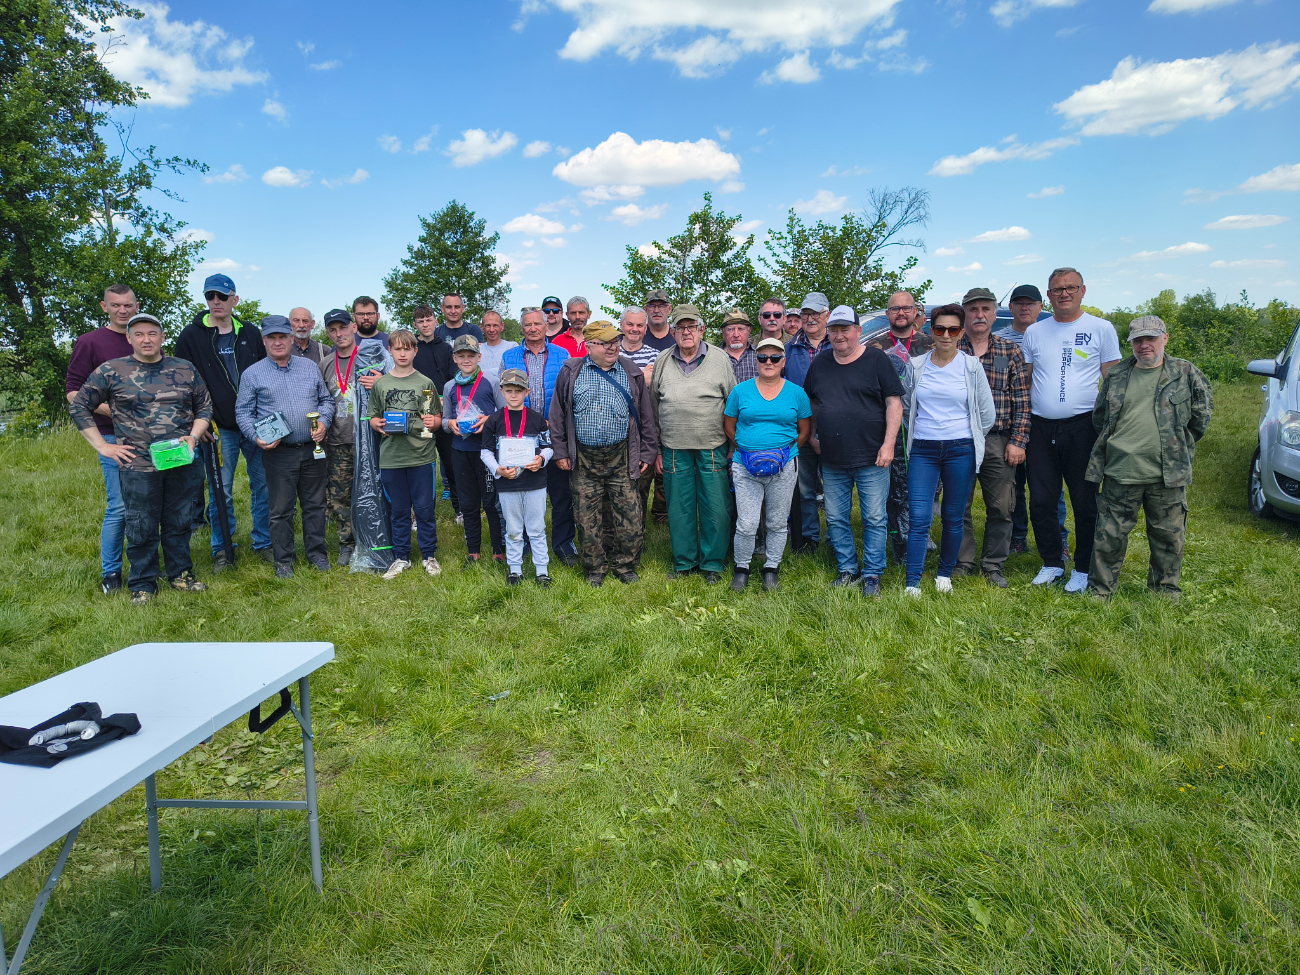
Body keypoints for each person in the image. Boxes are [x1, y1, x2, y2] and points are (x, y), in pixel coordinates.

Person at [70, 313, 213, 605]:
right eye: (139, 334)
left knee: (179, 520)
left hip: (180, 460)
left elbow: (204, 407)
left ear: (162, 337)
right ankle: (143, 583)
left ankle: (180, 574)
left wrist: (194, 436)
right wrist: (103, 446)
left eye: (152, 333)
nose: (146, 340)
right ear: (129, 338)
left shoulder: (184, 368)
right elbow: (79, 406)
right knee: (140, 525)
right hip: (137, 464)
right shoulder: (112, 370)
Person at [1086, 316, 1213, 600]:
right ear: (1131, 343)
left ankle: (1164, 591)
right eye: (1138, 340)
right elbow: (1100, 418)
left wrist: (1178, 446)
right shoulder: (1116, 375)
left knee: (1168, 536)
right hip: (1121, 469)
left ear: (1165, 339)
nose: (1145, 345)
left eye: (1151, 339)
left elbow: (1201, 415)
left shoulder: (1185, 372)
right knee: (1109, 535)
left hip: (1167, 473)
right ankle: (1101, 590)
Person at [1021, 268, 1121, 592]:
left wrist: (1114, 428)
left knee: (1085, 501)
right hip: (1040, 427)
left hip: (1083, 427)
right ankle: (1052, 562)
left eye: (1071, 288)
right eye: (1057, 289)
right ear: (1048, 295)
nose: (1064, 293)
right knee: (1041, 500)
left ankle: (1082, 567)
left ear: (1083, 291)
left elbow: (1114, 381)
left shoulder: (1101, 329)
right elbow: (1026, 379)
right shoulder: (1035, 332)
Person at [173, 272, 272, 570]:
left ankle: (264, 542)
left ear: (234, 299)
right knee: (221, 490)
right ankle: (223, 548)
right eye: (210, 296)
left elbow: (266, 373)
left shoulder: (250, 333)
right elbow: (183, 383)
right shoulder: (191, 336)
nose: (216, 301)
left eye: (222, 296)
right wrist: (198, 422)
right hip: (217, 427)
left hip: (255, 423)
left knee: (263, 486)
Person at [804, 307, 905, 597]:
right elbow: (812, 403)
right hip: (832, 456)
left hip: (873, 456)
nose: (839, 335)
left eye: (845, 329)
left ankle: (872, 574)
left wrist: (888, 444)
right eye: (834, 330)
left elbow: (894, 403)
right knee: (836, 517)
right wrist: (812, 435)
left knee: (874, 518)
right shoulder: (821, 362)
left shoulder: (877, 360)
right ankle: (847, 569)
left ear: (858, 331)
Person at [550, 321, 658, 585]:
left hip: (622, 456)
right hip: (583, 459)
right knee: (586, 518)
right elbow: (558, 415)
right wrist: (561, 451)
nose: (613, 347)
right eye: (605, 343)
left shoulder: (631, 371)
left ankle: (625, 566)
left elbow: (646, 416)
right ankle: (595, 568)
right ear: (589, 346)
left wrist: (647, 453)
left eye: (615, 341)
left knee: (630, 515)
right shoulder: (571, 372)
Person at [901, 304, 995, 595]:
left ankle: (944, 575)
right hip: (923, 450)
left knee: (953, 516)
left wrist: (967, 437)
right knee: (919, 517)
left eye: (953, 329)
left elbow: (986, 413)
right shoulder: (916, 365)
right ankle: (912, 583)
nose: (945, 335)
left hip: (960, 449)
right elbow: (907, 407)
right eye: (940, 328)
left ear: (961, 332)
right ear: (931, 330)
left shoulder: (971, 366)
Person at [235, 316, 335, 578]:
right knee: (281, 510)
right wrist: (256, 437)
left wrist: (323, 423)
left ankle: (317, 554)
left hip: (312, 449)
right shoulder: (253, 373)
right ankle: (284, 560)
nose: (278, 342)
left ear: (292, 339)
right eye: (272, 338)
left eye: (282, 337)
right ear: (264, 341)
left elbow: (326, 400)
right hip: (278, 452)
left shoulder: (310, 367)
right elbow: (243, 412)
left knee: (315, 505)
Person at [649, 304, 736, 583]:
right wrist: (658, 449)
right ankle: (684, 562)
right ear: (673, 331)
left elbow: (733, 404)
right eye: (680, 327)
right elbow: (654, 406)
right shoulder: (663, 360)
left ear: (702, 330)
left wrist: (733, 447)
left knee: (715, 507)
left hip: (712, 445)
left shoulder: (720, 359)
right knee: (679, 508)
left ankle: (713, 564)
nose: (686, 332)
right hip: (674, 447)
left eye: (692, 327)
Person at [952, 287, 1031, 588]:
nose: (979, 315)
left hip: (997, 439)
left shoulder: (1009, 351)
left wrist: (1018, 441)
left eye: (985, 309)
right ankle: (963, 561)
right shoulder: (951, 348)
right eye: (973, 309)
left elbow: (1022, 400)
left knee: (1001, 506)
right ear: (964, 314)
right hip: (959, 439)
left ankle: (993, 565)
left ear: (995, 314)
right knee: (958, 505)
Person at [723, 336, 811, 591]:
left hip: (784, 466)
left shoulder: (797, 393)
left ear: (783, 361)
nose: (768, 362)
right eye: (762, 357)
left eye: (774, 357)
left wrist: (785, 453)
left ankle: (771, 567)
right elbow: (729, 425)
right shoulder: (740, 391)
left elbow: (804, 429)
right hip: (745, 465)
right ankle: (742, 567)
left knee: (777, 521)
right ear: (756, 360)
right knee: (747, 522)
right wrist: (747, 450)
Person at [66, 283, 136, 593]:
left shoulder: (143, 338)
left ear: (136, 307)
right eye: (116, 305)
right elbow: (73, 392)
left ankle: (145, 566)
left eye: (128, 304)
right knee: (119, 506)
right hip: (111, 436)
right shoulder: (90, 342)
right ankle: (111, 574)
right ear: (104, 307)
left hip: (147, 436)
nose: (122, 310)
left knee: (147, 505)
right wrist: (113, 412)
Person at [996, 284, 1069, 558]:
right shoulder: (1000, 340)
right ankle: (1018, 537)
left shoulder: (1056, 335)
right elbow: (1001, 380)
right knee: (1014, 484)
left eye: (1030, 303)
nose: (1024, 307)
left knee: (1050, 486)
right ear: (1011, 307)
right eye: (1019, 303)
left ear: (1041, 307)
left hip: (1045, 419)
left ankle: (1059, 539)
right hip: (1012, 420)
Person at [501, 308, 577, 563]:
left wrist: (555, 422)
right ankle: (522, 544)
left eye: (537, 323)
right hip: (519, 435)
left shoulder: (562, 354)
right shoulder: (509, 356)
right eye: (527, 324)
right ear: (521, 328)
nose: (533, 328)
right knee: (521, 492)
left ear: (546, 326)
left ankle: (564, 545)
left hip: (554, 433)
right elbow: (503, 395)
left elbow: (569, 394)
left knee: (561, 492)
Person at [366, 329, 443, 579]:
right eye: (397, 349)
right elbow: (373, 416)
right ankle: (401, 557)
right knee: (398, 511)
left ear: (415, 351)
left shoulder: (425, 383)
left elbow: (435, 419)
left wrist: (434, 422)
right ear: (390, 350)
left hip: (421, 455)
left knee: (424, 509)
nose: (402, 353)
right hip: (392, 457)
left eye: (407, 349)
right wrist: (377, 424)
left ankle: (429, 555)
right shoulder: (381, 384)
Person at [867, 291, 934, 565]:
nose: (901, 313)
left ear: (915, 312)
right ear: (888, 314)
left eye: (906, 308)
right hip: (890, 424)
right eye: (895, 309)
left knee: (925, 484)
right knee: (895, 485)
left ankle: (921, 533)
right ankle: (897, 537)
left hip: (927, 423)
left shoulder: (930, 344)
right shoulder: (875, 347)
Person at [320, 309, 389, 566]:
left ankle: (378, 540)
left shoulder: (374, 357)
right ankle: (347, 545)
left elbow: (396, 386)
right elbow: (322, 400)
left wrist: (383, 381)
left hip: (372, 439)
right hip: (339, 439)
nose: (339, 334)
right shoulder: (325, 364)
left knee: (377, 491)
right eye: (333, 330)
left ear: (353, 327)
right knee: (340, 495)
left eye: (343, 327)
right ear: (328, 333)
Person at [481, 368, 554, 587]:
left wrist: (541, 459)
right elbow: (485, 452)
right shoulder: (494, 420)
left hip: (535, 482)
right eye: (509, 390)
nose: (514, 395)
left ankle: (542, 571)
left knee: (536, 528)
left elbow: (548, 447)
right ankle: (515, 569)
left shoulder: (537, 419)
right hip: (507, 483)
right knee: (513, 529)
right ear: (502, 391)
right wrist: (498, 470)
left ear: (527, 392)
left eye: (519, 391)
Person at [441, 335, 506, 566]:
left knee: (491, 502)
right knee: (468, 503)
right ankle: (473, 552)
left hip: (486, 451)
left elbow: (504, 413)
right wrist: (450, 424)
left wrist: (488, 420)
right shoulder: (449, 386)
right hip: (460, 451)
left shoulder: (491, 381)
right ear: (454, 358)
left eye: (471, 355)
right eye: (461, 356)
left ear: (479, 357)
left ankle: (498, 550)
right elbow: (444, 420)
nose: (466, 360)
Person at [784, 292, 832, 553]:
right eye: (806, 314)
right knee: (804, 487)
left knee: (835, 487)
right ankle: (809, 538)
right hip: (799, 428)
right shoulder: (788, 349)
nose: (810, 318)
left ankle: (836, 537)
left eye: (816, 313)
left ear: (827, 315)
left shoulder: (838, 343)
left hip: (834, 427)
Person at [617, 306, 665, 525]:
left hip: (644, 428)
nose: (634, 329)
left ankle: (638, 529)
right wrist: (640, 378)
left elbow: (657, 390)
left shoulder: (657, 357)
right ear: (621, 326)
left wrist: (627, 380)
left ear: (646, 328)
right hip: (616, 428)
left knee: (641, 483)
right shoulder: (612, 352)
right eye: (630, 324)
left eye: (639, 325)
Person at [412, 303, 459, 517]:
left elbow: (454, 379)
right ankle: (419, 513)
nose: (425, 324)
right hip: (420, 415)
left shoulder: (446, 348)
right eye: (420, 321)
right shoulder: (412, 349)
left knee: (451, 463)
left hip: (444, 411)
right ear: (415, 324)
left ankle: (460, 509)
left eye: (428, 320)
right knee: (420, 465)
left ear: (435, 321)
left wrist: (442, 401)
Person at [479, 309, 517, 385]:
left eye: (495, 325)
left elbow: (513, 373)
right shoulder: (477, 350)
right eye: (488, 326)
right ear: (482, 327)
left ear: (502, 326)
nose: (492, 329)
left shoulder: (512, 347)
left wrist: (481, 373)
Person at [721, 307, 759, 382]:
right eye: (730, 329)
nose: (736, 335)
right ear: (723, 331)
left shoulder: (760, 356)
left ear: (749, 330)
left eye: (741, 329)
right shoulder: (714, 358)